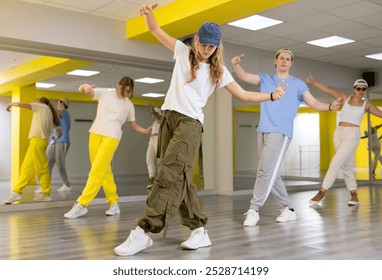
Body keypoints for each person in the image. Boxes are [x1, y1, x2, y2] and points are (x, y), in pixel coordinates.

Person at [113, 3, 287, 257]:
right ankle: (199, 231)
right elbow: (154, 29)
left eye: (211, 46)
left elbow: (244, 94)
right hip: (168, 119)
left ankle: (144, 230)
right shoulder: (182, 52)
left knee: (168, 174)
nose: (206, 50)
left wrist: (271, 96)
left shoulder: (220, 71)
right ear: (196, 41)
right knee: (180, 177)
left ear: (217, 46)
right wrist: (148, 13)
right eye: (203, 44)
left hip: (190, 124)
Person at [231, 51, 341, 227]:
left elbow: (313, 103)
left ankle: (254, 209)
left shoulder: (298, 84)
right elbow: (243, 76)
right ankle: (288, 209)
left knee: (264, 171)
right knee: (271, 173)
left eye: (288, 59)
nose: (284, 61)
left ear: (291, 63)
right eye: (281, 58)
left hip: (280, 132)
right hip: (263, 130)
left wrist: (329, 106)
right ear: (275, 61)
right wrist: (236, 64)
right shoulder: (265, 79)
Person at [64, 76, 150, 219]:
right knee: (104, 170)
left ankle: (82, 204)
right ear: (118, 85)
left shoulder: (129, 105)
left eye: (129, 91)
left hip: (112, 136)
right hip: (95, 133)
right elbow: (83, 90)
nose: (126, 92)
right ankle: (114, 202)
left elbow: (133, 124)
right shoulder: (104, 93)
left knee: (97, 171)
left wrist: (144, 130)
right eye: (124, 89)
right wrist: (84, 85)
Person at [307, 75, 382, 206]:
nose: (361, 91)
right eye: (359, 88)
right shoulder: (345, 98)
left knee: (335, 163)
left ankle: (322, 191)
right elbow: (328, 90)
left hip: (352, 135)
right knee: (346, 165)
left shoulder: (366, 104)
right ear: (354, 89)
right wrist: (313, 82)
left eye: (364, 89)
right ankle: (354, 195)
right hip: (339, 133)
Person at [4, 97, 62, 204]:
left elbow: (22, 104)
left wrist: (10, 104)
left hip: (37, 141)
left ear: (40, 102)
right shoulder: (51, 113)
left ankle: (46, 194)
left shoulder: (40, 107)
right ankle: (17, 192)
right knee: (27, 167)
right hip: (40, 142)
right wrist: (54, 137)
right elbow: (59, 133)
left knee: (41, 168)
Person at [46, 98, 71, 192]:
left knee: (60, 163)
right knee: (47, 163)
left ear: (62, 103)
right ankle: (45, 185)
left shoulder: (64, 113)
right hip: (54, 141)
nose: (57, 104)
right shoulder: (58, 115)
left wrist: (48, 105)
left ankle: (66, 184)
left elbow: (56, 111)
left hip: (63, 141)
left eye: (58, 103)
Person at [146, 104, 162, 189]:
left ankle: (161, 180)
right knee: (149, 159)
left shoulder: (160, 120)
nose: (151, 115)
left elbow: (157, 117)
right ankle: (152, 179)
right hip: (152, 139)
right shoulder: (155, 123)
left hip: (158, 139)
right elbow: (149, 129)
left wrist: (151, 107)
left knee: (160, 160)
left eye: (153, 114)